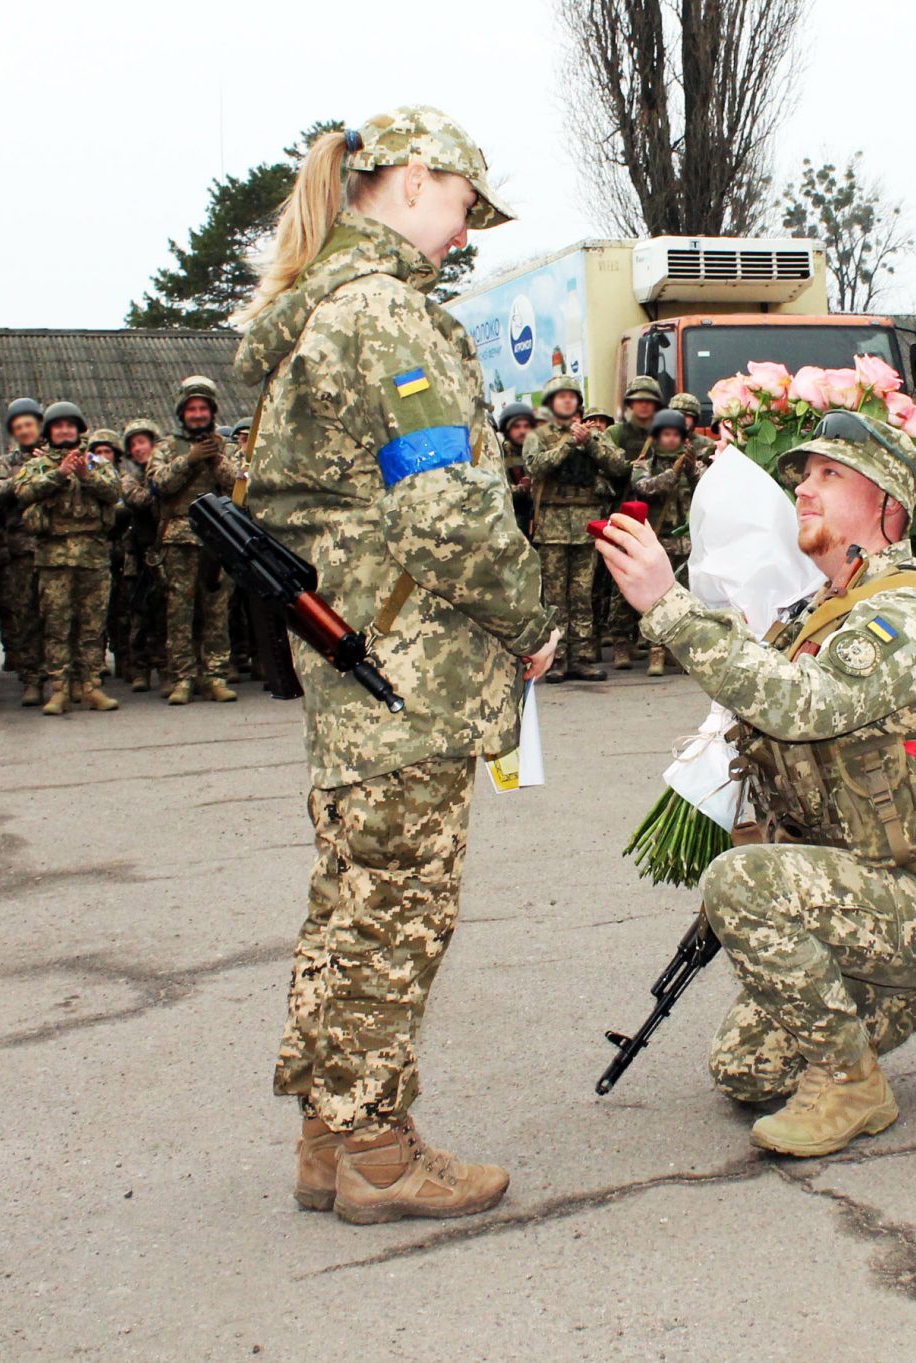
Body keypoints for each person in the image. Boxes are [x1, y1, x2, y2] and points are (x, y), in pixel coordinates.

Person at [235, 105, 555, 1224]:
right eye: (465, 206)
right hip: (410, 664)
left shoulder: (317, 309)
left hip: (358, 657)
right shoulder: (383, 317)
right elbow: (447, 511)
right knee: (395, 909)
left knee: (352, 901)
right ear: (416, 181)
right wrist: (529, 616)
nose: (466, 234)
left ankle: (329, 1134)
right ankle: (376, 1149)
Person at [597, 410, 916, 1158]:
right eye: (802, 473)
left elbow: (802, 705)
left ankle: (854, 1081)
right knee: (746, 1069)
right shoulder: (821, 615)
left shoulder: (911, 617)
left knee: (743, 885)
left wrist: (670, 606)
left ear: (889, 505)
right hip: (873, 882)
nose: (803, 488)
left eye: (830, 475)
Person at [16, 402, 121, 715]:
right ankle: (60, 689)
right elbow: (22, 492)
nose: (64, 430)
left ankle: (91, 687)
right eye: (58, 426)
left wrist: (86, 476)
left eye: (70, 425)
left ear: (78, 430)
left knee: (93, 626)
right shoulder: (37, 464)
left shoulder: (97, 461)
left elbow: (114, 491)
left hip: (93, 557)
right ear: (49, 432)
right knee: (57, 626)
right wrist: (59, 475)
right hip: (54, 559)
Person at [145, 377, 241, 705]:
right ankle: (182, 678)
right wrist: (189, 459)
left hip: (218, 540)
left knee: (216, 612)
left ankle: (214, 675)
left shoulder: (225, 447)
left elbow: (241, 489)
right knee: (179, 613)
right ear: (181, 412)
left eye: (203, 408)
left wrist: (215, 460)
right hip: (178, 541)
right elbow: (158, 486)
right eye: (192, 409)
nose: (198, 414)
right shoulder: (167, 447)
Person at [525, 374, 625, 681]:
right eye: (560, 397)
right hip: (552, 527)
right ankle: (556, 656)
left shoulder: (595, 434)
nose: (567, 401)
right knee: (555, 598)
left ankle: (581, 657)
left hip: (586, 523)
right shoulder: (539, 435)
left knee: (582, 594)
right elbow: (535, 466)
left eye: (572, 396)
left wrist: (591, 441)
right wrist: (569, 443)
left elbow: (620, 466)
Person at [630, 407, 705, 676]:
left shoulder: (690, 462)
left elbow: (707, 489)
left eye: (676, 435)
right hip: (658, 542)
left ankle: (681, 652)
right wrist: (673, 472)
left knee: (686, 601)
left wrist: (692, 470)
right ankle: (656, 652)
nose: (671, 440)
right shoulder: (643, 463)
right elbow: (645, 488)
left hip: (686, 542)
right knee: (656, 600)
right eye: (666, 435)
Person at [0, 398, 48, 705]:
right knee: (26, 613)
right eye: (18, 427)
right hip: (22, 549)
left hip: (57, 545)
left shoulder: (58, 453)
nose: (25, 431)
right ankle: (32, 679)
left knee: (60, 615)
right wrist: (27, 473)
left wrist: (49, 464)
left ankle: (70, 678)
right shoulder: (6, 462)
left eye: (29, 424)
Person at [600, 378, 661, 670]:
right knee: (621, 580)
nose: (643, 405)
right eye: (638, 400)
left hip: (655, 515)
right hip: (623, 511)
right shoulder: (615, 433)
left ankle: (645, 639)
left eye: (648, 400)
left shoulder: (663, 431)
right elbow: (610, 468)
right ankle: (620, 642)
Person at [113, 418, 167, 691]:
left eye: (142, 442)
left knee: (164, 614)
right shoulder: (129, 478)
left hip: (164, 552)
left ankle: (165, 668)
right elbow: (140, 501)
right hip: (138, 556)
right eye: (132, 445)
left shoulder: (165, 471)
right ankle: (140, 670)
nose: (137, 449)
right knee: (138, 614)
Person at [494, 400, 536, 532]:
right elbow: (497, 489)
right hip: (512, 517)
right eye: (516, 427)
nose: (522, 431)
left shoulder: (539, 450)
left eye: (526, 426)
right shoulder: (499, 453)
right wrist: (522, 489)